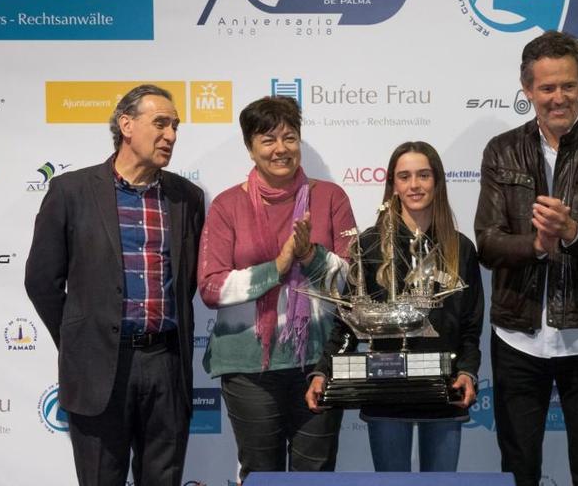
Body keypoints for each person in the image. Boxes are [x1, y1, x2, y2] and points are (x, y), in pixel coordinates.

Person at [474, 31, 578, 486]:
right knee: (519, 470)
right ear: (528, 90)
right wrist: (536, 246)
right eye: (547, 87)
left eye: (568, 85)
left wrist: (570, 233)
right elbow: (487, 244)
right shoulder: (501, 149)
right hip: (516, 337)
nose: (558, 97)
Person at [25, 84, 205, 485]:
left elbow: (187, 281)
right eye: (160, 123)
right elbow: (41, 281)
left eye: (175, 126)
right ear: (126, 125)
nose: (171, 136)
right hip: (98, 369)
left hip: (167, 365)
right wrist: (82, 337)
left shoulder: (187, 197)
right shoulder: (71, 191)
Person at [198, 96, 356, 484]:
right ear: (250, 148)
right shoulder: (227, 205)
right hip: (249, 366)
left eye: (289, 137)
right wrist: (279, 266)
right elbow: (211, 287)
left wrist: (310, 255)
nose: (280, 148)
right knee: (261, 475)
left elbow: (352, 282)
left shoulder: (330, 198)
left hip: (318, 362)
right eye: (267, 139)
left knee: (315, 475)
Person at [306, 141, 484, 472]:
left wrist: (467, 372)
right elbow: (347, 323)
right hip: (386, 389)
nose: (414, 185)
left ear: (437, 182)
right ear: (393, 185)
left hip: (444, 390)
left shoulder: (461, 248)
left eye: (423, 175)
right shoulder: (369, 246)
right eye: (404, 176)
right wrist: (324, 370)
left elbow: (470, 327)